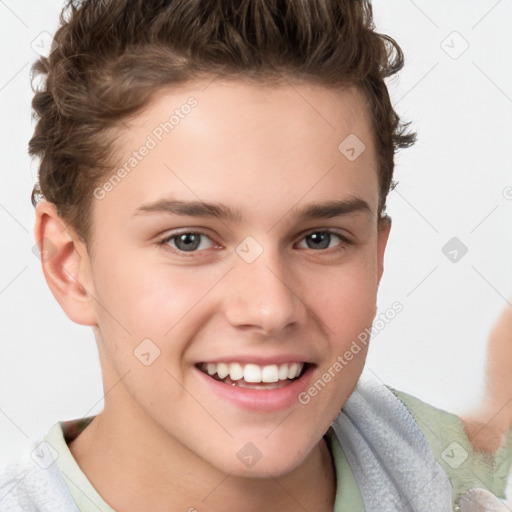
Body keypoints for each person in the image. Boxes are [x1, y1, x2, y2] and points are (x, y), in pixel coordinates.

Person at [0, 1, 511, 510]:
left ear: (377, 258)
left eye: (320, 239)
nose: (270, 309)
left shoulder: (472, 479)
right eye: (189, 240)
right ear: (68, 265)